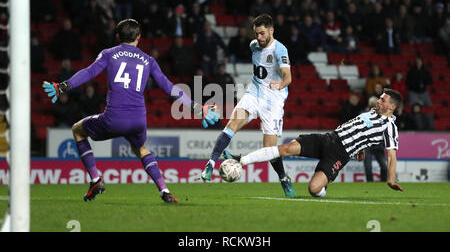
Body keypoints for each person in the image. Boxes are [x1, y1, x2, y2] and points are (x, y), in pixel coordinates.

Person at [43, 19, 219, 203]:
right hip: (138, 119)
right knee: (141, 149)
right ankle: (164, 191)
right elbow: (169, 87)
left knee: (77, 130)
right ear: (139, 38)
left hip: (114, 117)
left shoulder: (109, 54)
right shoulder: (149, 60)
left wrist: (64, 86)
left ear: (118, 36)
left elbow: (89, 72)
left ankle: (95, 179)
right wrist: (196, 107)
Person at [230, 89, 404, 197]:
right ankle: (241, 160)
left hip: (340, 154)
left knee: (313, 189)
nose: (378, 101)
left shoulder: (390, 127)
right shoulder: (371, 112)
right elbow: (361, 131)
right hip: (328, 139)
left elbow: (392, 156)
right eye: (380, 98)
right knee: (287, 148)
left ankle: (324, 186)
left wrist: (390, 179)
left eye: (382, 99)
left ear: (392, 107)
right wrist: (362, 147)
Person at [200, 14, 296, 198]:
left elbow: (288, 77)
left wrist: (280, 85)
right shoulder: (253, 45)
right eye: (256, 34)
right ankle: (210, 165)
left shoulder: (280, 50)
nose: (258, 38)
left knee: (270, 150)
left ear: (271, 30)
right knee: (232, 125)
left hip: (273, 101)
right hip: (254, 93)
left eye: (262, 34)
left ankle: (284, 178)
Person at [363, 96, 388, 182]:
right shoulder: (364, 115)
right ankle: (370, 183)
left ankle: (383, 182)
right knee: (368, 167)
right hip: (368, 145)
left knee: (384, 167)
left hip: (378, 145)